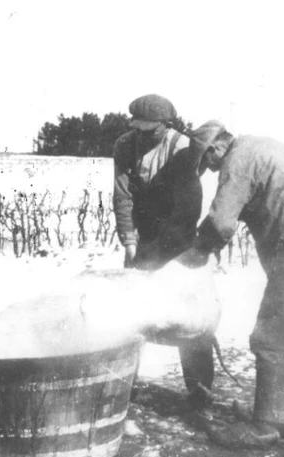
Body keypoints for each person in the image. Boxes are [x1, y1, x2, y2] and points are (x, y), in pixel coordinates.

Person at [182, 120, 284, 448]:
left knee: (270, 335)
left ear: (215, 149)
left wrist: (197, 250)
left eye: (208, 163)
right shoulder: (256, 146)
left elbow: (221, 220)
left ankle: (265, 426)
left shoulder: (237, 160)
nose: (212, 169)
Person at [112, 94, 214, 409]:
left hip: (180, 235)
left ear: (164, 125)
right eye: (138, 128)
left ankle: (199, 389)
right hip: (146, 235)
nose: (142, 135)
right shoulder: (124, 146)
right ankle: (124, 383)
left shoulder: (181, 147)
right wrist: (130, 240)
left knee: (190, 316)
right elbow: (123, 195)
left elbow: (187, 203)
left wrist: (175, 256)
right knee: (131, 312)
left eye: (149, 130)